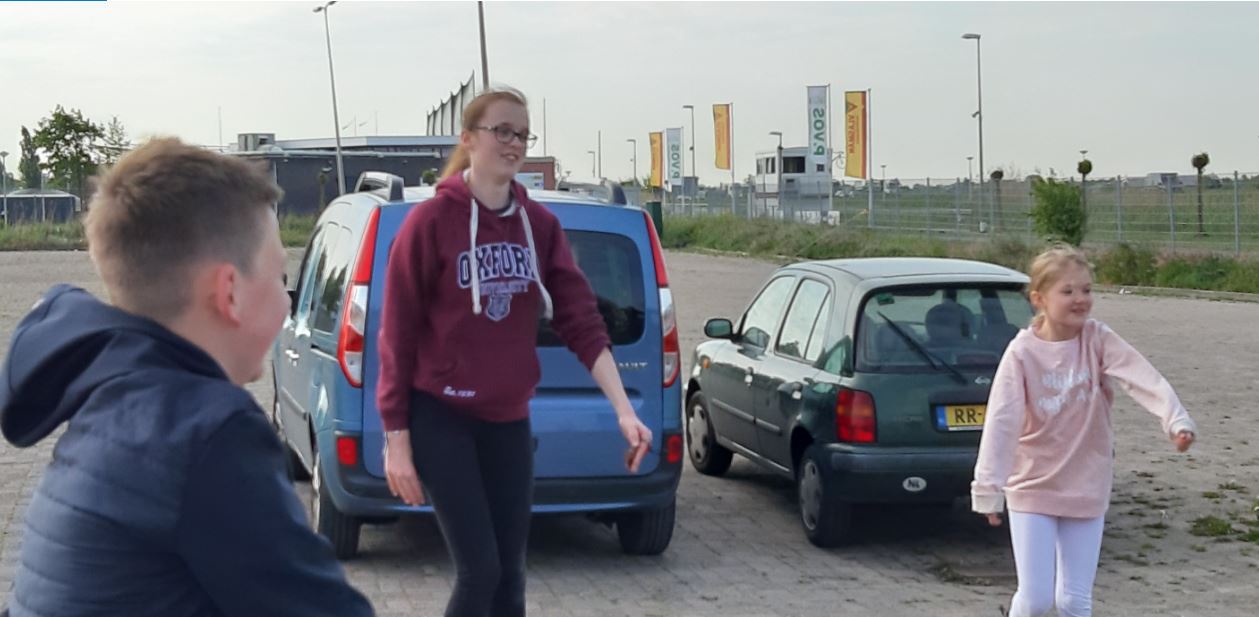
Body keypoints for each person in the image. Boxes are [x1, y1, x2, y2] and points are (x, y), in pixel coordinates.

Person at [0, 138, 375, 617]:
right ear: (229, 291)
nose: (287, 303)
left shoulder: (113, 396)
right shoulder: (206, 431)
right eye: (280, 279)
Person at [376, 86, 653, 617]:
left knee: (510, 578)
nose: (514, 143)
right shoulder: (429, 224)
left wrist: (624, 410)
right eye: (501, 130)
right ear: (468, 139)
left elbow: (581, 321)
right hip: (441, 416)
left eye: (522, 134)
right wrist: (397, 440)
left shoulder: (540, 227)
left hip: (507, 421)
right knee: (480, 571)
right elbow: (397, 335)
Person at [971, 244, 1197, 617]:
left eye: (1087, 290)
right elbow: (1001, 421)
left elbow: (1142, 377)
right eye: (1068, 291)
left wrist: (1176, 421)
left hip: (1086, 484)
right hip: (1033, 486)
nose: (1080, 299)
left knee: (1074, 600)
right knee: (1036, 599)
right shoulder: (1021, 353)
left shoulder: (1097, 339)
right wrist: (988, 489)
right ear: (1039, 299)